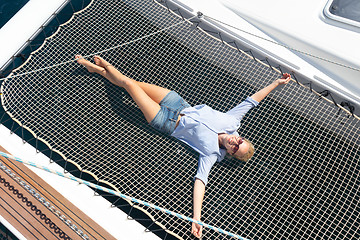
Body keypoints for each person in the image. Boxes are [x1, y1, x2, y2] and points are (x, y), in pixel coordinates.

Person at [75, 55, 291, 238]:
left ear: (231, 154)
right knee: (131, 83)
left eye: (235, 149)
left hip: (165, 121)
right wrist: (276, 84)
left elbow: (200, 181)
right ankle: (100, 71)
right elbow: (252, 101)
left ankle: (104, 67)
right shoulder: (232, 122)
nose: (235, 143)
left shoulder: (212, 154)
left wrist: (196, 217)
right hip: (177, 103)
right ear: (241, 137)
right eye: (240, 142)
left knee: (129, 86)